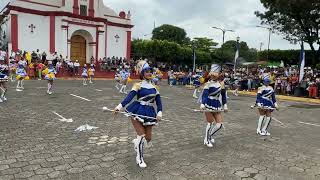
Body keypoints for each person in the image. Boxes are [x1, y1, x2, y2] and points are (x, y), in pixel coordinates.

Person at [114, 60, 163, 168]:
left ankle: (136, 142)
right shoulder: (138, 85)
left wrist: (159, 113)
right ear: (142, 73)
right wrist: (119, 107)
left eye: (150, 71)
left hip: (149, 112)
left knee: (148, 138)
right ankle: (139, 158)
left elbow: (159, 103)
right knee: (142, 135)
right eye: (146, 71)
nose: (149, 73)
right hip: (137, 111)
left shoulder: (155, 88)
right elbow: (129, 97)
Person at [200, 64, 228, 148]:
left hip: (217, 104)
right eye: (211, 75)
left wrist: (225, 105)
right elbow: (205, 95)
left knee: (219, 124)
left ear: (219, 75)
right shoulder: (208, 84)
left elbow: (223, 96)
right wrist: (202, 104)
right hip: (208, 104)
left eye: (214, 75)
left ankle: (209, 136)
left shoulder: (221, 84)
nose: (213, 76)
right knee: (210, 123)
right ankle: (206, 139)